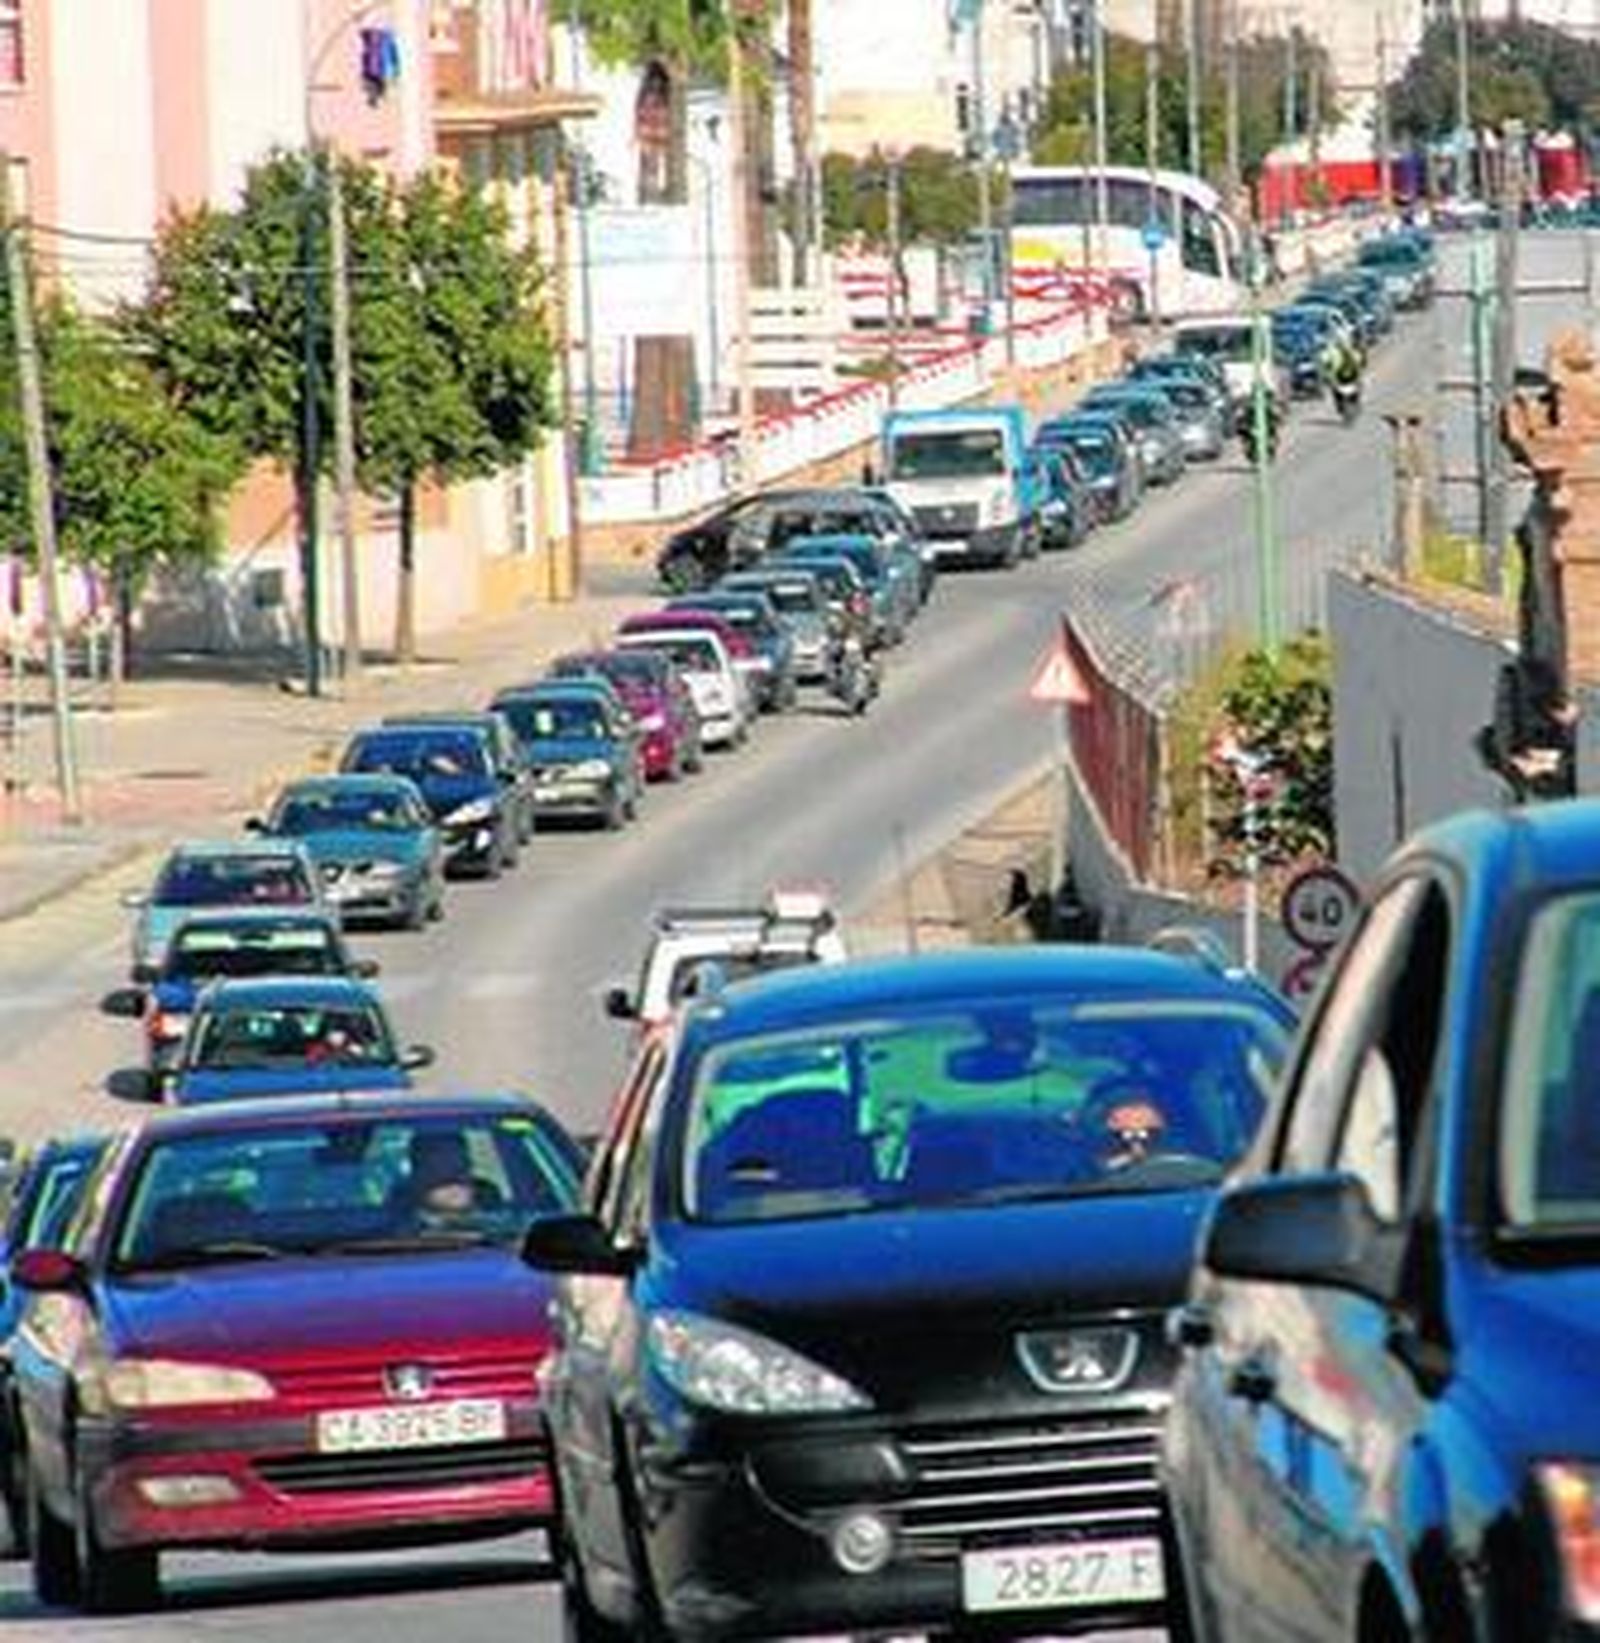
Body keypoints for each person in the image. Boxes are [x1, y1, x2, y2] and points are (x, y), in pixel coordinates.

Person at [1474, 653, 1578, 804]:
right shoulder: (1514, 758)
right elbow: (1484, 737)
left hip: (1531, 682)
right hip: (1528, 680)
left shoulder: (1512, 755)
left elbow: (1484, 739)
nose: (1549, 764)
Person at [391, 1131, 503, 1225]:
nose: (454, 1185)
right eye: (440, 1163)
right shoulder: (402, 1205)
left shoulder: (488, 1196)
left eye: (459, 1166)